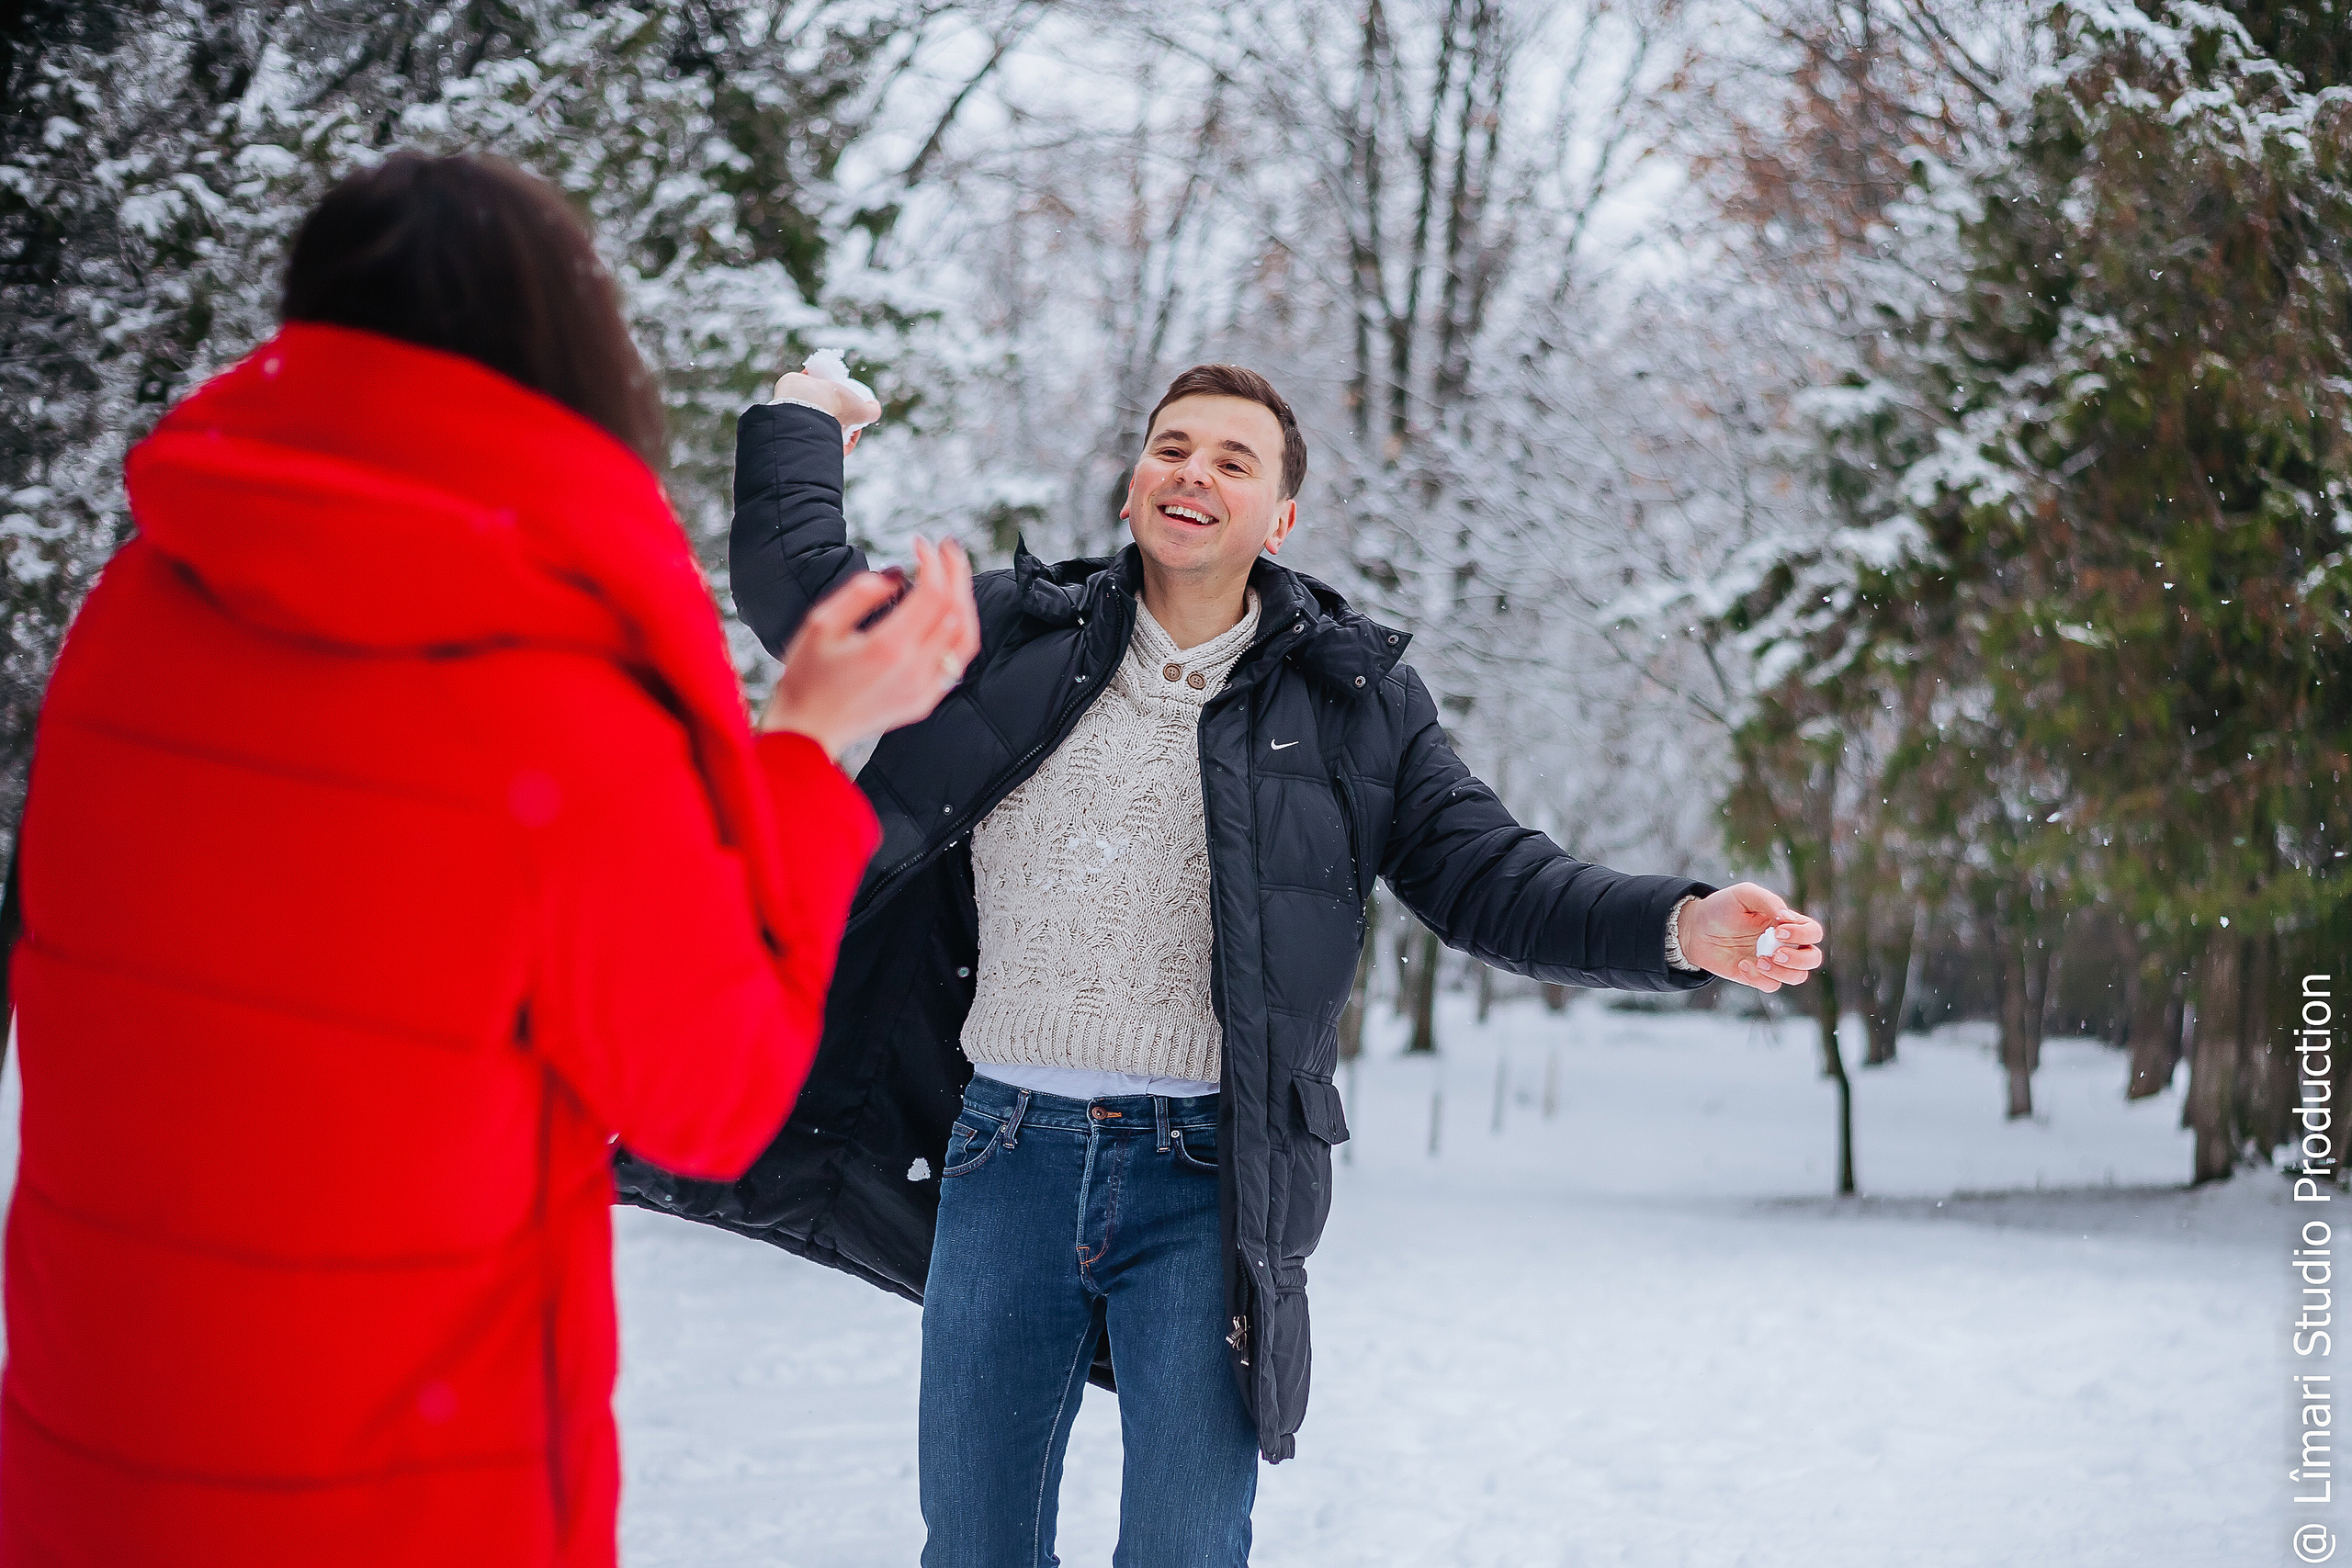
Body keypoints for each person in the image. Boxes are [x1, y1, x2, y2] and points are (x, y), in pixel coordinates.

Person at [618, 362, 1825, 1565]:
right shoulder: (1003, 638)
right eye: (1171, 447)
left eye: (1233, 460)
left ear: (1281, 519)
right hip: (1001, 1157)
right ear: (1134, 485)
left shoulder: (1354, 702)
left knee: (1185, 1551)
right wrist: (800, 420)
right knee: (974, 1547)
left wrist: (1683, 925)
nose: (1192, 470)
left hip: (1207, 1179)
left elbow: (1492, 877)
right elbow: (808, 602)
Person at [0, 153, 978, 1568]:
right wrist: (807, 748)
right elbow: (707, 1096)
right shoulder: (548, 682)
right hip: (400, 1484)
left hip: (102, 1460)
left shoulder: (137, 609)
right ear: (571, 351)